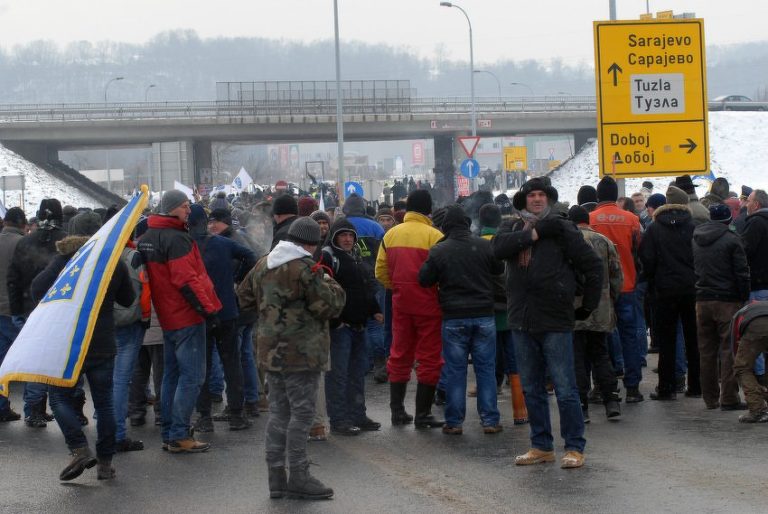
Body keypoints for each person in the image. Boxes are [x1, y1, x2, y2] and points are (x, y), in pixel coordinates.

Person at [492, 178, 603, 469]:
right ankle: (541, 445)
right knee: (531, 387)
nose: (537, 199)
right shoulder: (514, 227)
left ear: (549, 199)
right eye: (532, 195)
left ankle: (574, 447)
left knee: (565, 388)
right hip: (522, 318)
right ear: (524, 200)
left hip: (555, 318)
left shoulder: (563, 228)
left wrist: (588, 304)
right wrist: (535, 234)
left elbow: (591, 266)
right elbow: (497, 249)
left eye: (542, 195)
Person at [237, 217, 345, 500]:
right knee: (302, 414)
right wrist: (332, 284)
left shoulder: (264, 263)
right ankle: (299, 475)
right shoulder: (306, 268)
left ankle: (276, 477)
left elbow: (244, 297)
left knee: (279, 413)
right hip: (302, 353)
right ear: (311, 243)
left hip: (270, 352)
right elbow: (330, 306)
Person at [30, 211, 134, 481]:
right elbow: (128, 298)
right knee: (105, 403)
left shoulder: (66, 259)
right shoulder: (112, 262)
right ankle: (105, 463)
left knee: (60, 398)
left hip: (69, 344)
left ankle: (78, 448)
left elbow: (36, 288)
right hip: (102, 343)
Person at [138, 190, 222, 453]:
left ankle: (169, 432)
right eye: (185, 206)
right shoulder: (177, 239)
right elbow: (187, 279)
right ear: (172, 208)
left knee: (171, 376)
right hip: (186, 315)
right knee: (192, 377)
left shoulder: (149, 237)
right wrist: (209, 310)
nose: (189, 211)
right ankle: (179, 434)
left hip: (167, 315)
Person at [418, 205, 504, 435]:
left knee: (456, 371)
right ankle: (490, 420)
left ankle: (454, 422)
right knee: (486, 369)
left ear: (445, 227)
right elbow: (499, 269)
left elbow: (424, 279)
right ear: (468, 224)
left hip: (454, 317)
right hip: (484, 315)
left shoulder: (440, 250)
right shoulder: (485, 245)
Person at [375, 190, 445, 429]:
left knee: (399, 354)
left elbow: (380, 271)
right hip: (429, 305)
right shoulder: (435, 236)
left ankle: (397, 412)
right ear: (428, 210)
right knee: (429, 357)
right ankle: (423, 413)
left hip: (401, 304)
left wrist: (396, 288)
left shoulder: (391, 234)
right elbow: (442, 271)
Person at [187, 205, 257, 433]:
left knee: (202, 366)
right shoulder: (222, 243)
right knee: (231, 363)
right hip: (226, 311)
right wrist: (235, 278)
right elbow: (251, 257)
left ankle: (205, 417)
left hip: (199, 313)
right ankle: (237, 414)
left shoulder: (185, 246)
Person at [7, 199, 67, 427]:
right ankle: (68, 407)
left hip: (30, 308)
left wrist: (16, 312)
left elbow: (13, 279)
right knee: (61, 360)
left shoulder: (25, 242)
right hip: (61, 310)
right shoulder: (66, 241)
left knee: (35, 360)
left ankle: (34, 408)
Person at [320, 219, 382, 435]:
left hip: (359, 325)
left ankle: (358, 414)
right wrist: (335, 321)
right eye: (343, 235)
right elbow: (321, 290)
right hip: (340, 328)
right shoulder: (328, 256)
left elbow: (363, 285)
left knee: (357, 372)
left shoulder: (354, 255)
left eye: (350, 235)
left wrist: (374, 309)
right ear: (335, 236)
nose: (347, 239)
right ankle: (339, 419)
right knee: (338, 374)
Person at [639, 185, 701, 400]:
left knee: (666, 340)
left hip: (664, 290)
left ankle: (666, 387)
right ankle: (696, 386)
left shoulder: (655, 228)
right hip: (691, 288)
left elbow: (646, 259)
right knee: (693, 338)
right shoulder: (693, 226)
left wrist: (652, 280)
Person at [590, 176, 644, 403]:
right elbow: (639, 250)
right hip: (627, 286)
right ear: (615, 195)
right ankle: (632, 388)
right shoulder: (631, 219)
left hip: (600, 290)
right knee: (629, 336)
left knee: (600, 338)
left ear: (598, 196)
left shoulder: (590, 219)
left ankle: (605, 386)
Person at [567, 205, 623, 423]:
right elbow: (616, 275)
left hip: (573, 310)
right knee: (600, 354)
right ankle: (611, 401)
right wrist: (611, 299)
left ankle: (582, 407)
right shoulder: (604, 241)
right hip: (600, 308)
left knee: (577, 358)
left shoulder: (567, 243)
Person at [692, 204, 750, 410]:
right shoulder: (732, 240)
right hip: (727, 301)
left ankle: (709, 398)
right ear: (728, 220)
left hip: (702, 300)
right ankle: (729, 398)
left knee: (706, 351)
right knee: (728, 350)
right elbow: (741, 273)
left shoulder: (696, 238)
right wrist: (744, 297)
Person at [478, 203, 527, 424]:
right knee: (513, 356)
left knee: (489, 356)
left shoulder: (478, 244)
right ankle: (520, 410)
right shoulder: (507, 244)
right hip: (511, 307)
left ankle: (493, 394)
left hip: (487, 309)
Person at [0, 207, 27, 422]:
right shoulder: (23, 244)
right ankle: (33, 408)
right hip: (15, 310)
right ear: (21, 223)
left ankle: (1, 406)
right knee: (28, 359)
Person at [731, 302, 768, 423]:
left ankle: (758, 410)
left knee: (742, 368)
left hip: (756, 326)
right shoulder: (759, 306)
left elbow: (735, 349)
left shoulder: (737, 316)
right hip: (759, 321)